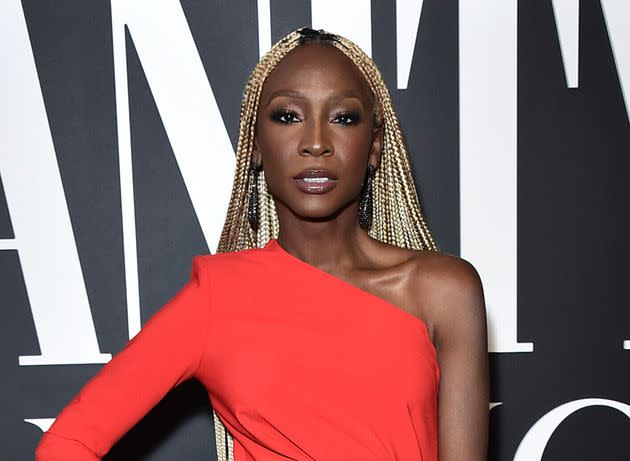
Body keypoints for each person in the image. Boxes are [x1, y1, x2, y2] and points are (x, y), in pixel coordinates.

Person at [35, 27, 489, 460]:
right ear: (254, 144)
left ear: (374, 146)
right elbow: (67, 443)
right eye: (288, 116)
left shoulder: (444, 290)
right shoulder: (217, 299)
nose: (315, 142)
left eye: (344, 117)